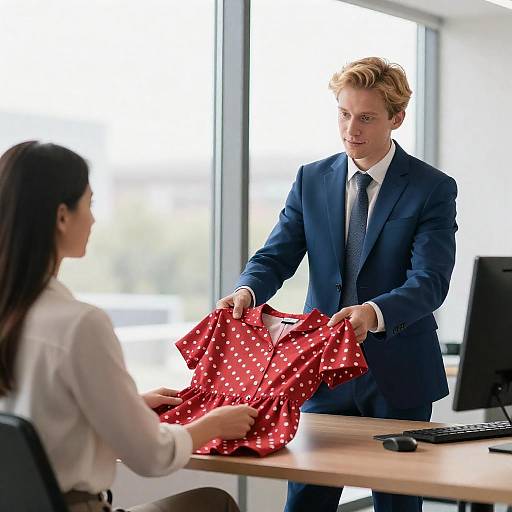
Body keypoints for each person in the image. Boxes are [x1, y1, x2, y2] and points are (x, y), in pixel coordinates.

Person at [217, 57, 457, 512]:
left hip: (397, 372)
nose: (352, 129)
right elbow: (277, 254)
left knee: (397, 504)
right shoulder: (312, 178)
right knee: (306, 499)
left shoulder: (432, 188)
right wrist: (247, 290)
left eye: (366, 117)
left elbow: (430, 281)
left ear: (396, 119)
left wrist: (373, 313)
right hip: (321, 369)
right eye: (344, 114)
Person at [0, 141, 258, 512]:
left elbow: (36, 420)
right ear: (61, 217)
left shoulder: (16, 314)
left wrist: (129, 406)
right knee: (213, 503)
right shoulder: (79, 325)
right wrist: (214, 424)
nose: (93, 219)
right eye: (89, 204)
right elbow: (151, 456)